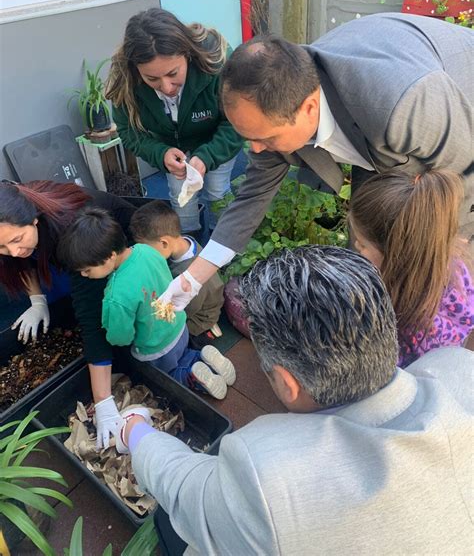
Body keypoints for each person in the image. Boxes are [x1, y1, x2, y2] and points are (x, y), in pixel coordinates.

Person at [118, 246, 473, 554]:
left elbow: (184, 490)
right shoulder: (459, 369)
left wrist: (136, 433)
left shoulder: (267, 474)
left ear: (287, 383)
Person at [156, 12, 473, 311]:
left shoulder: (404, 104)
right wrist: (191, 279)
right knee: (367, 242)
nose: (256, 149)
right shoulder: (283, 100)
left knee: (444, 273)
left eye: (265, 138)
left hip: (460, 127)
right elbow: (251, 199)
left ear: (308, 109)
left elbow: (465, 174)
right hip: (386, 136)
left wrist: (447, 246)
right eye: (248, 137)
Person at [0, 180, 139, 447]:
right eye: (3, 247)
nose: (13, 252)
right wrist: (37, 300)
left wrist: (103, 400)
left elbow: (91, 321)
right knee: (57, 293)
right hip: (66, 245)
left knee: (106, 309)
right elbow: (20, 261)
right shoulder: (13, 215)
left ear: (34, 219)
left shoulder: (73, 235)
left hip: (123, 241)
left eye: (17, 240)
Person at [57, 207, 235, 414]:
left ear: (109, 257)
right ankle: (201, 356)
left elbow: (120, 337)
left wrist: (114, 336)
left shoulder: (115, 296)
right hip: (178, 326)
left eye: (87, 270)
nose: (85, 276)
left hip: (154, 346)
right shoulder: (146, 250)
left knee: (169, 373)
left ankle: (190, 376)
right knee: (181, 351)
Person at [106, 7, 243, 235]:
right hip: (173, 149)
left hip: (217, 139)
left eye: (173, 74)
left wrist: (207, 156)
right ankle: (190, 249)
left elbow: (237, 122)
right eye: (152, 79)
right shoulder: (125, 80)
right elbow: (128, 131)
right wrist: (160, 153)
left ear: (187, 54)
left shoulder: (217, 63)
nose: (167, 88)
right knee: (182, 202)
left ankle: (227, 249)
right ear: (135, 69)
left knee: (218, 192)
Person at [349, 168, 473, 367]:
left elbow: (380, 369)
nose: (356, 246)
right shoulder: (450, 263)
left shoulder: (409, 319)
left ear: (396, 254)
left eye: (363, 244)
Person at [129, 200, 225, 350]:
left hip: (199, 318)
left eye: (147, 249)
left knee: (170, 337)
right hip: (204, 300)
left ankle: (203, 340)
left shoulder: (189, 277)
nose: (146, 254)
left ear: (164, 243)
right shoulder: (185, 242)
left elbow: (185, 310)